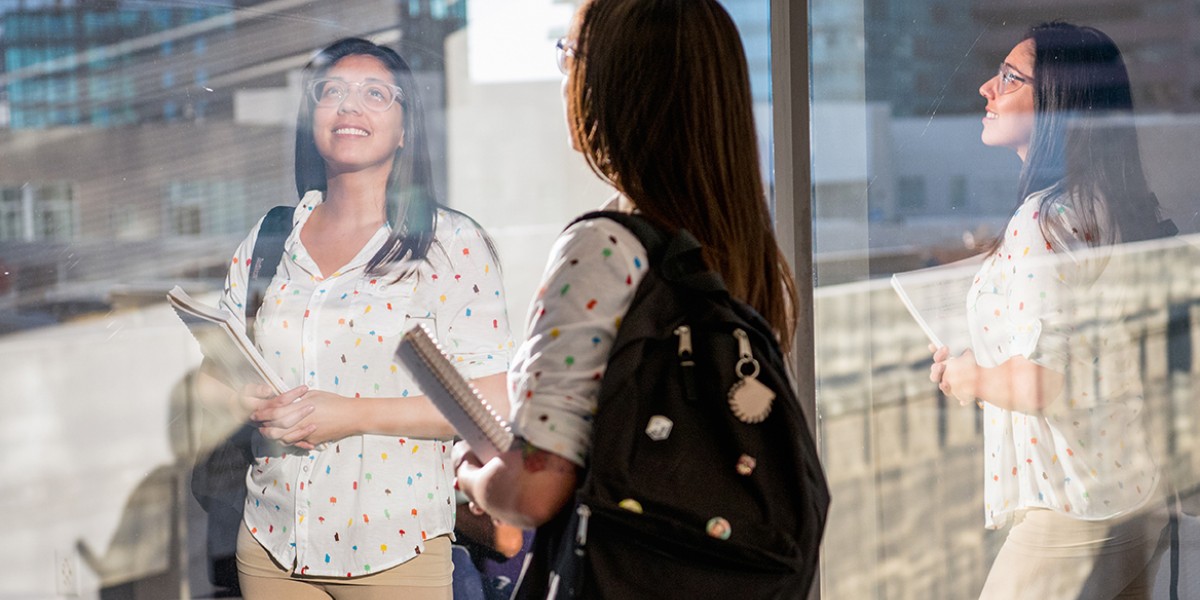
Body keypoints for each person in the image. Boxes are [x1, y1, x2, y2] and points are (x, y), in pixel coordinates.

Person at [454, 0, 798, 580]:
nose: (565, 73)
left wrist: (473, 476)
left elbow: (538, 489)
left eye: (570, 56)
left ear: (613, 86)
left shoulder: (601, 251)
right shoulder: (744, 249)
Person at [215, 37, 512, 599]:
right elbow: (225, 367)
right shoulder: (270, 236)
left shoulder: (449, 243)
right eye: (332, 92)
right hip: (271, 542)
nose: (350, 106)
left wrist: (350, 415)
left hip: (392, 548)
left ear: (404, 129)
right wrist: (244, 399)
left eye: (375, 93)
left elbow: (493, 402)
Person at [929, 22, 1173, 599]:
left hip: (1072, 504)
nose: (987, 89)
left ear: (1058, 103)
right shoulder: (1105, 203)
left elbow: (1041, 383)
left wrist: (970, 377)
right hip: (1133, 490)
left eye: (1010, 78)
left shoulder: (1041, 221)